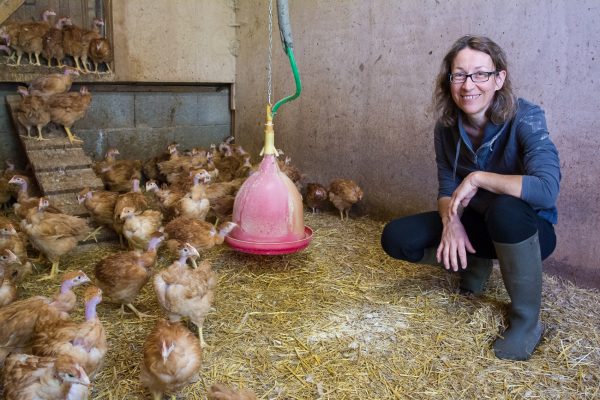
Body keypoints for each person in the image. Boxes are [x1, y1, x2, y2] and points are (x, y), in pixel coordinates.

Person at [381, 35, 560, 361]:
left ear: (499, 78)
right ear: (448, 80)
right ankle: (475, 262)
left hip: (528, 231)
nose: (468, 85)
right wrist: (451, 223)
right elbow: (447, 188)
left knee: (505, 209)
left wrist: (478, 178)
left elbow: (547, 190)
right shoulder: (446, 127)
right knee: (396, 238)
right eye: (459, 74)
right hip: (478, 222)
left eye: (481, 74)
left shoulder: (527, 117)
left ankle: (527, 322)